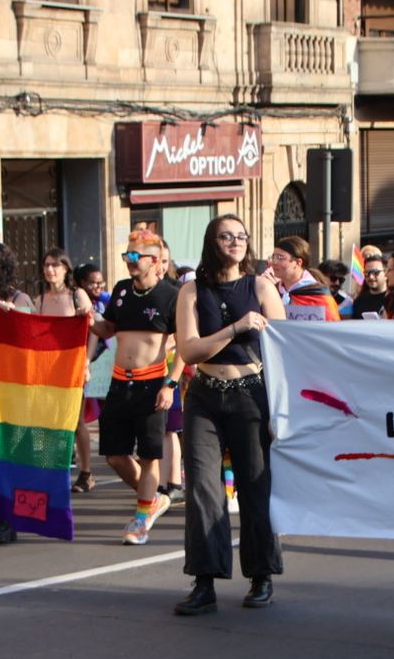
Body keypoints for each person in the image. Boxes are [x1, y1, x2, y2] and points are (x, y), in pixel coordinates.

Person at [172, 214, 286, 615]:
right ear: (212, 242)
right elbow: (189, 351)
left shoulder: (260, 286)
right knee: (203, 488)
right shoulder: (190, 290)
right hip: (204, 395)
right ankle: (204, 581)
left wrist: (282, 409)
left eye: (241, 236)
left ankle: (261, 576)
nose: (235, 242)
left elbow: (284, 349)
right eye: (226, 236)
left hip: (250, 393)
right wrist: (235, 328)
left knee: (256, 486)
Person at [89, 229, 184, 544]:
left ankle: (141, 519)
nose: (129, 261)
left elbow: (185, 345)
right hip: (119, 384)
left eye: (134, 256)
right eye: (126, 255)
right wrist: (88, 318)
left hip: (152, 385)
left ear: (154, 260)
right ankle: (152, 497)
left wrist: (170, 384)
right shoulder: (120, 290)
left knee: (148, 457)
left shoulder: (171, 295)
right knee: (115, 455)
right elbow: (108, 329)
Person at [32, 248, 97, 493]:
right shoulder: (39, 300)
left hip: (72, 366)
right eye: (47, 265)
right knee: (45, 420)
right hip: (46, 368)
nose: (50, 270)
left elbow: (93, 331)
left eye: (55, 265)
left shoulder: (77, 296)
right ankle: (48, 469)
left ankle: (86, 472)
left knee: (75, 421)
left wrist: (86, 361)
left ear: (66, 269)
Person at [349, 254, 390, 319]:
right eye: (367, 273)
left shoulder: (393, 299)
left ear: (386, 273)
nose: (370, 277)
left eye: (375, 272)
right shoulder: (359, 302)